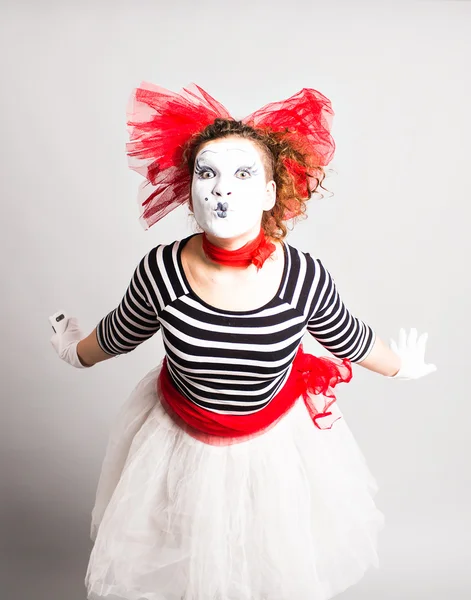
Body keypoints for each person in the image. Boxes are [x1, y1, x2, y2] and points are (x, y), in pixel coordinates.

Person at [50, 82, 436, 600]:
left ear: (271, 193)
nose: (222, 190)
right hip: (180, 439)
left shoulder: (302, 276)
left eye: (242, 174)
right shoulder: (162, 270)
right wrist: (75, 352)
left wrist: (399, 366)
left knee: (264, 562)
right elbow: (120, 332)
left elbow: (349, 338)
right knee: (190, 562)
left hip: (272, 445)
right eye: (207, 174)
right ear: (189, 189)